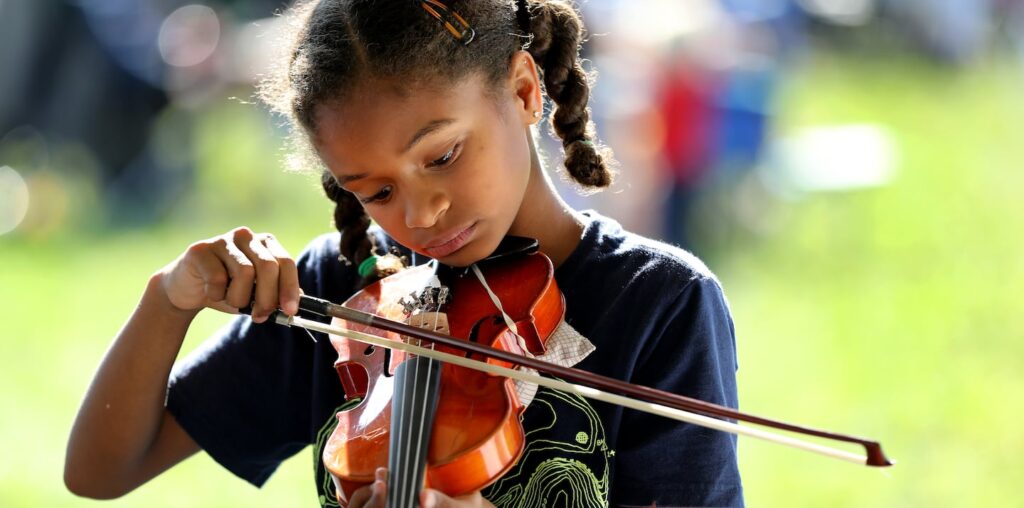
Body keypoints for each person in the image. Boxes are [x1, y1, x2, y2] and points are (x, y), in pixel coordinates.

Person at [65, 1, 743, 506]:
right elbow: (102, 471)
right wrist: (169, 299)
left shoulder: (658, 300)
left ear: (524, 90)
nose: (420, 216)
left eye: (442, 155)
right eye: (377, 190)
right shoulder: (343, 296)